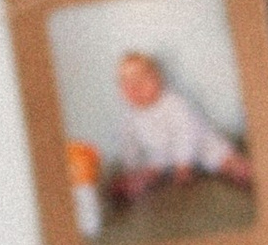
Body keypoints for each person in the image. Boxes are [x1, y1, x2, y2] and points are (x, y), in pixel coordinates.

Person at [105, 43, 253, 203]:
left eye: (142, 78)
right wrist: (131, 169)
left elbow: (186, 132)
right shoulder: (130, 116)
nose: (135, 87)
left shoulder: (174, 103)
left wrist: (183, 164)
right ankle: (133, 186)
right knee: (151, 169)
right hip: (163, 156)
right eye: (127, 83)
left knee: (220, 155)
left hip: (199, 144)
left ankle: (241, 169)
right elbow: (129, 144)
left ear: (158, 79)